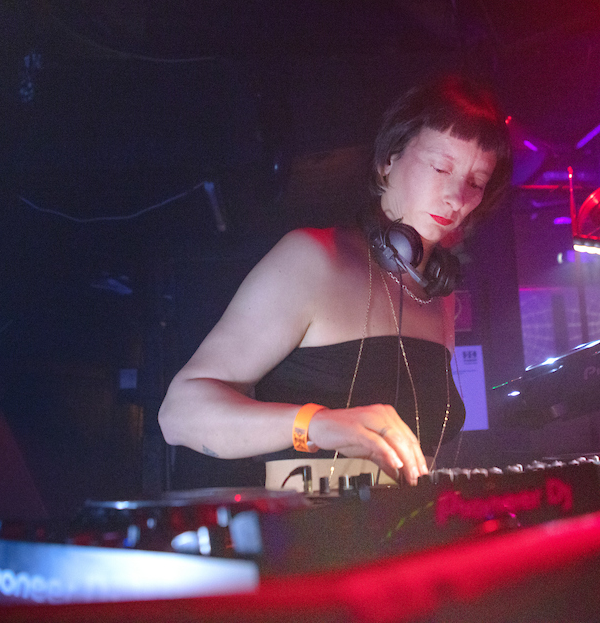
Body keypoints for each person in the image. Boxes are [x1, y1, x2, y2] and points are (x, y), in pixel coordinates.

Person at [158, 74, 512, 488]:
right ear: (388, 160)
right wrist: (318, 424)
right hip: (310, 527)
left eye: (475, 182)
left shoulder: (438, 296)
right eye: (440, 167)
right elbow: (179, 415)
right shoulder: (312, 259)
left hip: (411, 526)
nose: (456, 197)